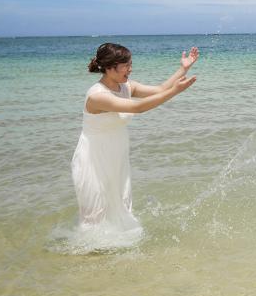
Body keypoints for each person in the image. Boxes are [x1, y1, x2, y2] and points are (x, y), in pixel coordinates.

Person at [72, 42, 198, 230]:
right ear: (109, 67)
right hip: (94, 159)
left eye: (131, 65)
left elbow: (160, 89)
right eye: (126, 66)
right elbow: (138, 107)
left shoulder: (126, 87)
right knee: (94, 215)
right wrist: (175, 92)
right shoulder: (97, 96)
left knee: (121, 205)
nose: (130, 70)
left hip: (116, 156)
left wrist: (183, 69)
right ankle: (86, 257)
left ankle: (116, 255)